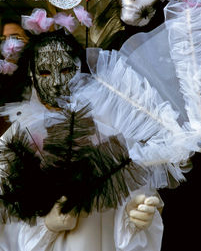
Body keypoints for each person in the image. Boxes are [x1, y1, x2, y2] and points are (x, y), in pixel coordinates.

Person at [0, 28, 163, 251]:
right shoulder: (16, 140)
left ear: (80, 69)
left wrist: (133, 216)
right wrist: (46, 225)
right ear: (31, 74)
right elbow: (5, 218)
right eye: (46, 72)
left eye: (66, 69)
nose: (57, 82)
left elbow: (138, 192)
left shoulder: (111, 129)